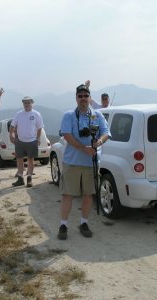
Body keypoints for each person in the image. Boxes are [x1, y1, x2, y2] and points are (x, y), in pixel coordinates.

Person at [57, 84, 110, 240]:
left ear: (90, 98)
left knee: (88, 195)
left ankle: (84, 222)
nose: (83, 99)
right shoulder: (69, 115)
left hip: (91, 162)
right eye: (80, 96)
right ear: (76, 99)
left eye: (85, 96)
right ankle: (63, 224)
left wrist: (99, 142)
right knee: (68, 195)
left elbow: (106, 132)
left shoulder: (97, 115)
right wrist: (83, 148)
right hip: (72, 161)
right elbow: (67, 135)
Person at [10, 96, 44, 188]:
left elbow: (40, 127)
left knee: (30, 160)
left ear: (32, 103)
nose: (27, 104)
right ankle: (20, 179)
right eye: (25, 103)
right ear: (23, 104)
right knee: (19, 160)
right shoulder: (18, 114)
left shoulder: (36, 114)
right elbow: (12, 126)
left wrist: (38, 138)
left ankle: (29, 179)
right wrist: (11, 136)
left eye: (29, 102)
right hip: (20, 141)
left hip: (32, 140)